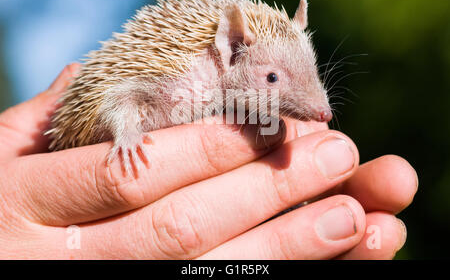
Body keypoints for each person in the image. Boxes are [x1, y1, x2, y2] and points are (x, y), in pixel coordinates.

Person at [0, 63, 417, 259]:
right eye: (272, 78)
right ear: (229, 47)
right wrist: (126, 133)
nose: (321, 108)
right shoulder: (178, 76)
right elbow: (117, 97)